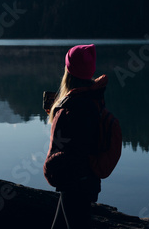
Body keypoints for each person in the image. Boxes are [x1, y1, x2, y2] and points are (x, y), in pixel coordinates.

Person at [44, 44, 108, 229]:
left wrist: (51, 164)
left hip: (75, 183)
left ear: (69, 71)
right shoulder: (89, 98)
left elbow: (74, 150)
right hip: (82, 181)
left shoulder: (76, 106)